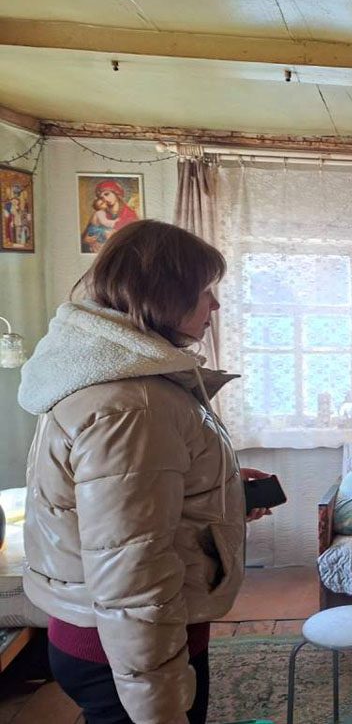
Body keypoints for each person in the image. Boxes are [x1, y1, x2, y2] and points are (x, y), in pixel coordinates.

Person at [19, 220, 272, 724]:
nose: (215, 306)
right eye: (206, 291)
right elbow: (131, 574)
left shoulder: (113, 378)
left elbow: (133, 510)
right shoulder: (134, 405)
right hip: (124, 651)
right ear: (164, 294)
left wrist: (217, 493)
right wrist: (159, 708)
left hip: (107, 638)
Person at [81, 180, 140, 252]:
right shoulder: (99, 214)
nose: (105, 199)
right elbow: (86, 237)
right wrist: (88, 240)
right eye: (101, 197)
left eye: (107, 194)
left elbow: (137, 240)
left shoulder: (130, 214)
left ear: (116, 193)